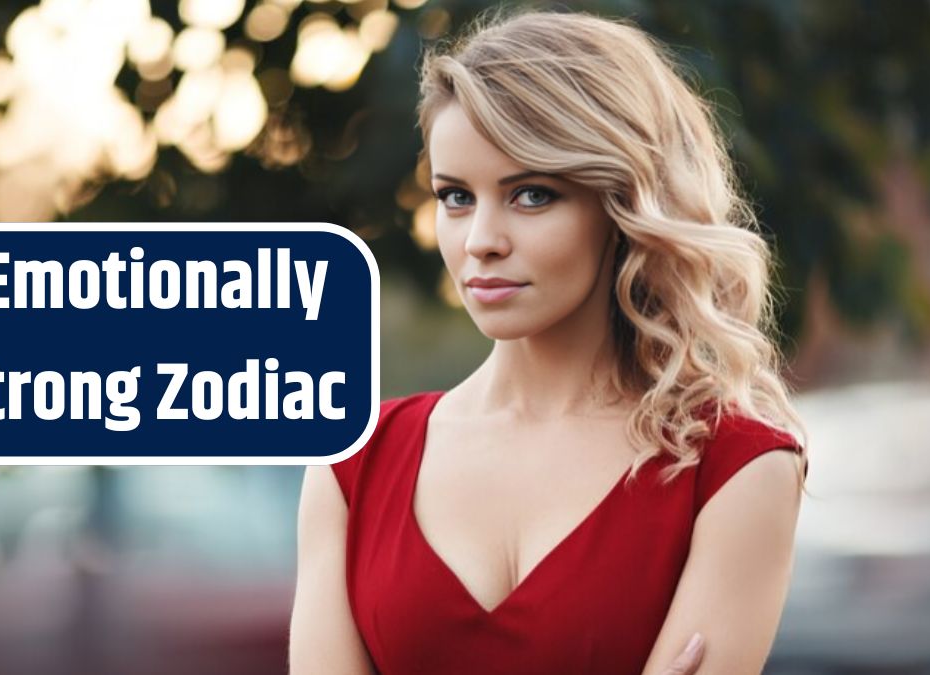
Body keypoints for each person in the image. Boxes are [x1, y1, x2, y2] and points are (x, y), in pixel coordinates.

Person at [290, 9, 809, 674]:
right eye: (455, 196)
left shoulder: (736, 468)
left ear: (623, 203)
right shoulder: (351, 465)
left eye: (532, 194)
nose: (480, 240)